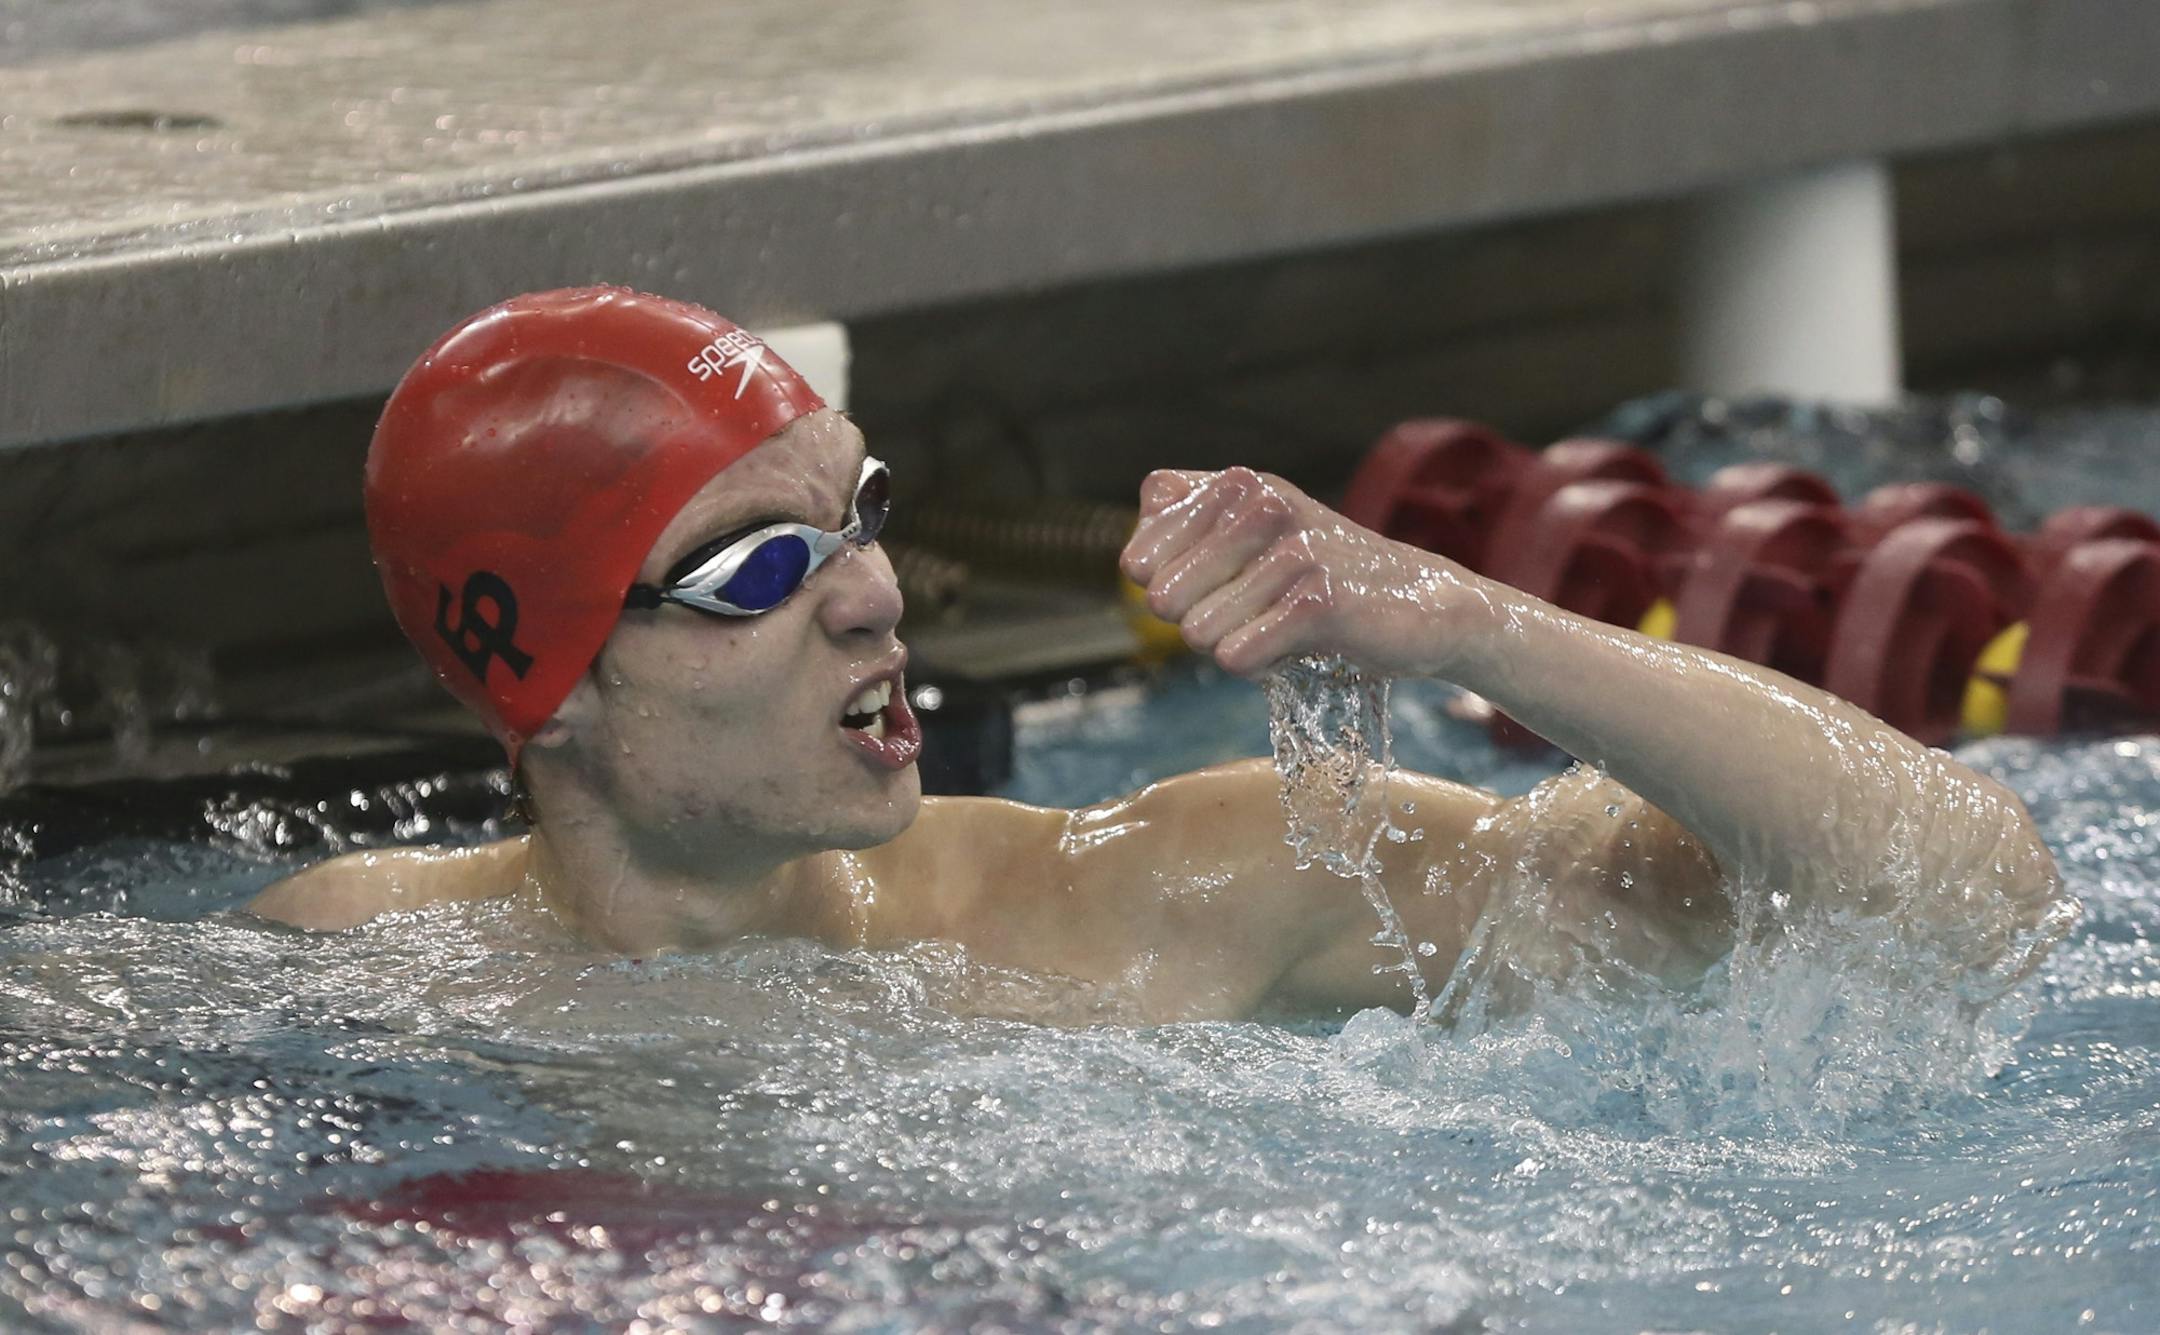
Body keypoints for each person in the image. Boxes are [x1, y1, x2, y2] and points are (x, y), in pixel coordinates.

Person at [250, 287, 2072, 1022]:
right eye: (760, 568)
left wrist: (1468, 621)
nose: (877, 597)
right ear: (543, 684)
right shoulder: (354, 965)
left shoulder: (1164, 893)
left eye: (863, 514)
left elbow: (1961, 897)